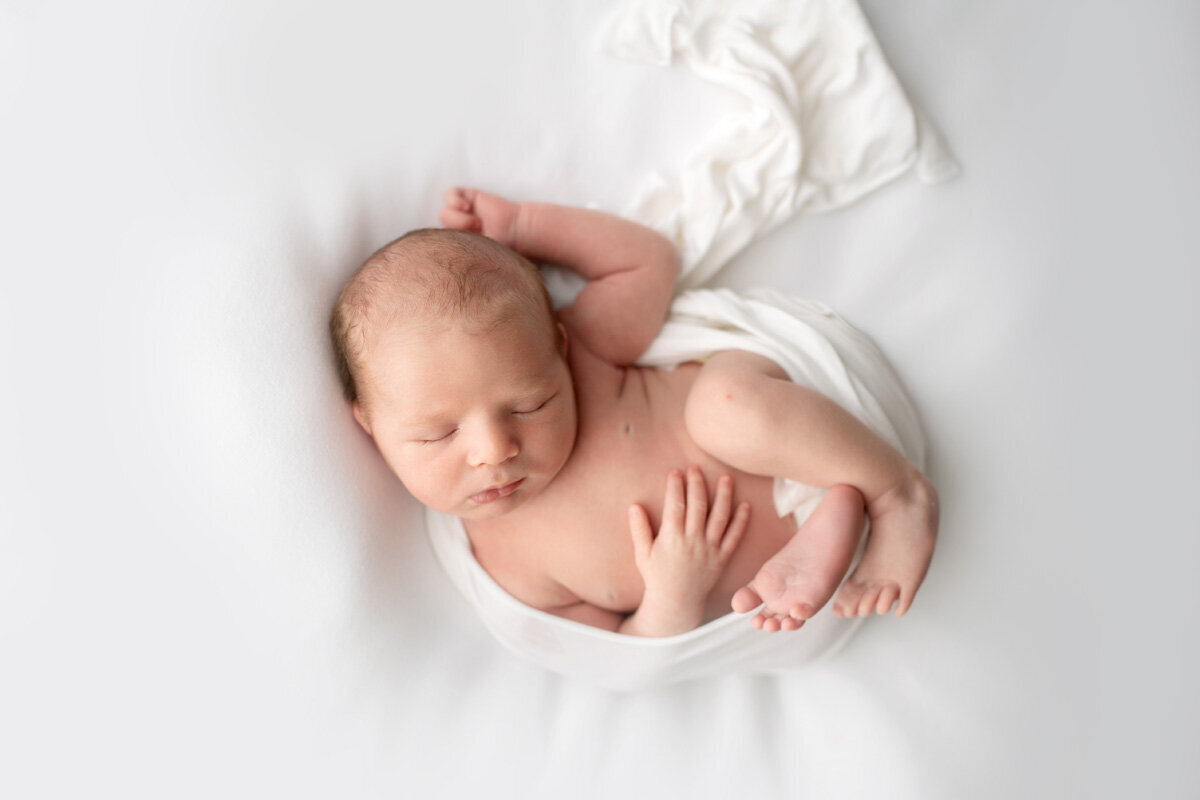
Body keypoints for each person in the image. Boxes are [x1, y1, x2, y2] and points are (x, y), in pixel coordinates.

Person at [330, 187, 938, 637]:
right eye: (437, 435)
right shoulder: (509, 571)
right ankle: (832, 519)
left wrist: (524, 225)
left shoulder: (584, 353)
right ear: (371, 426)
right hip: (784, 577)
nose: (495, 449)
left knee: (722, 410)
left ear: (558, 354)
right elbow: (625, 654)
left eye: (530, 403)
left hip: (806, 425)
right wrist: (674, 594)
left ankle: (895, 493)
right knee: (758, 602)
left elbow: (645, 261)